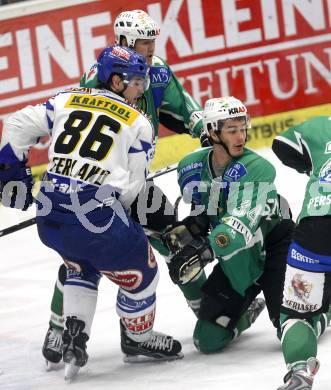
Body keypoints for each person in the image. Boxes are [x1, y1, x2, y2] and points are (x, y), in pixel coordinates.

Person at [0, 45, 183, 381]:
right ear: (115, 81)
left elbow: (15, 124)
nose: (141, 89)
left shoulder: (66, 99)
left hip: (50, 212)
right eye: (136, 82)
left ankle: (74, 333)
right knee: (145, 274)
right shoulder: (139, 122)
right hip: (97, 217)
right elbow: (131, 190)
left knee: (80, 264)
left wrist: (9, 172)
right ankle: (138, 339)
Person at [42, 9, 205, 367]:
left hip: (135, 181)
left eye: (152, 42)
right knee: (79, 256)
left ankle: (205, 310)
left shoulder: (158, 70)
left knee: (174, 236)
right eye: (143, 43)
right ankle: (58, 327)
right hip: (98, 188)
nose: (151, 49)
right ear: (124, 42)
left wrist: (202, 125)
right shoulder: (97, 77)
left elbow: (185, 107)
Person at [161, 96, 296, 353]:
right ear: (212, 132)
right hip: (237, 260)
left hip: (274, 246)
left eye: (242, 128)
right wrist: (189, 229)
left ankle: (323, 300)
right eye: (232, 130)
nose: (240, 137)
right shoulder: (192, 167)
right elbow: (204, 211)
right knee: (207, 341)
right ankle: (246, 312)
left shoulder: (258, 168)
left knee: (289, 326)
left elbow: (236, 227)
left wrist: (204, 251)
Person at [272, 116, 331, 390]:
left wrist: (313, 166)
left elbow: (281, 144)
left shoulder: (322, 125)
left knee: (298, 316)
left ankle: (300, 372)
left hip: (316, 227)